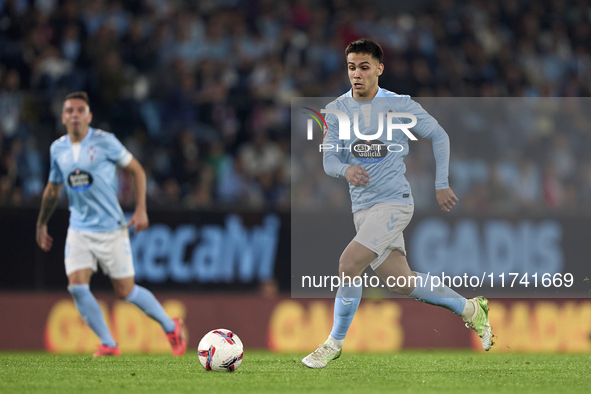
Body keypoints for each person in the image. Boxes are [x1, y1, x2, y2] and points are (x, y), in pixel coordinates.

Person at [302, 39, 493, 369]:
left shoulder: (399, 104)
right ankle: (471, 309)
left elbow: (439, 136)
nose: (357, 74)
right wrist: (345, 169)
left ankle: (333, 343)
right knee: (400, 281)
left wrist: (440, 183)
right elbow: (328, 159)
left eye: (364, 67)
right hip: (362, 210)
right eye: (351, 67)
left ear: (379, 68)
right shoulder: (335, 111)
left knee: (349, 264)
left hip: (394, 203)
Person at [36, 91, 186, 357]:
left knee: (125, 291)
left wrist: (141, 210)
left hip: (111, 229)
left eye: (80, 110)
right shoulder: (57, 148)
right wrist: (41, 223)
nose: (74, 115)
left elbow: (137, 170)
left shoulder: (105, 142)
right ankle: (109, 343)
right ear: (62, 117)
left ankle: (169, 325)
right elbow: (52, 189)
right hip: (79, 229)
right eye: (69, 110)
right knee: (76, 286)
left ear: (89, 116)